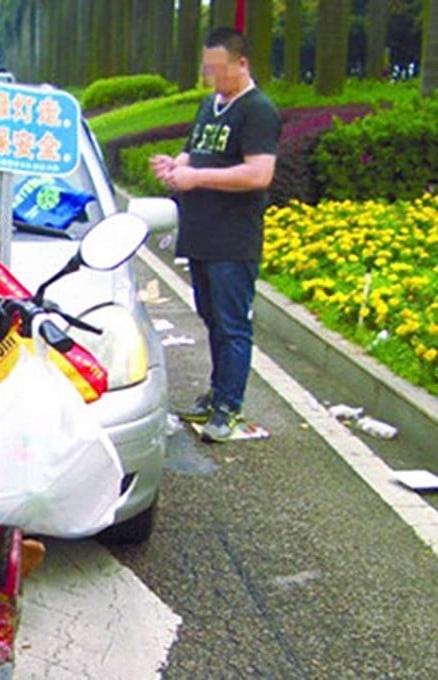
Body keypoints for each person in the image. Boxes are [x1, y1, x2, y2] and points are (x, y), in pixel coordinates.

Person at [150, 27, 281, 442]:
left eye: (219, 70)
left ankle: (229, 406)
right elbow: (195, 151)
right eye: (208, 70)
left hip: (233, 238)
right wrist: (175, 166)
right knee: (211, 319)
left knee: (232, 324)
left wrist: (197, 177)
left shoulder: (258, 110)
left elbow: (259, 173)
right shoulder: (211, 105)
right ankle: (217, 393)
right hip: (202, 235)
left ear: (242, 64)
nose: (213, 78)